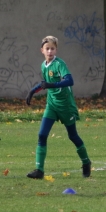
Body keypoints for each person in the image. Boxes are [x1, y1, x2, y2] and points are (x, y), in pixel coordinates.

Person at [26, 36, 91, 179]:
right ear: (42, 50)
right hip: (52, 105)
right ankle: (39, 170)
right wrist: (33, 91)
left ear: (56, 50)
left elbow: (69, 80)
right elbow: (45, 83)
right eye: (47, 48)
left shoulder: (60, 64)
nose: (50, 51)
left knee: (72, 136)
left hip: (65, 106)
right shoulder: (44, 65)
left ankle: (86, 162)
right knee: (42, 135)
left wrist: (52, 85)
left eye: (52, 48)